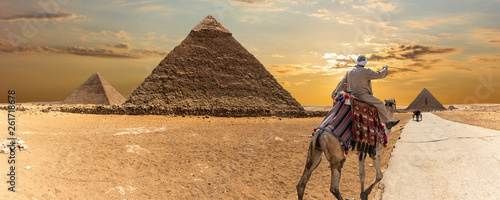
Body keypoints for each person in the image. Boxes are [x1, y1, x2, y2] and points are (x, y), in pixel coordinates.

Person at [333, 55, 400, 130]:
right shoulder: (366, 71)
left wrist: (335, 93)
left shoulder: (349, 72)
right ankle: (387, 122)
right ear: (365, 63)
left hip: (351, 95)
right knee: (380, 103)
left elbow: (341, 84)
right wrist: (385, 68)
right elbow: (380, 75)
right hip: (363, 96)